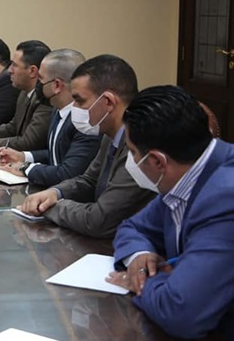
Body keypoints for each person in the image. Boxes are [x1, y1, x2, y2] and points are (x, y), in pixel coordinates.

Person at [106, 86, 234, 339]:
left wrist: (140, 281)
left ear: (157, 161)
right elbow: (133, 226)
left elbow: (181, 311)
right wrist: (139, 256)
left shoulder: (225, 197)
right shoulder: (190, 172)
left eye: (133, 152)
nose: (132, 160)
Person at [18, 55, 156, 238]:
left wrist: (50, 207)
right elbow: (89, 180)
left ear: (108, 102)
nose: (74, 107)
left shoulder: (139, 146)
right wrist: (55, 192)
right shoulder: (109, 135)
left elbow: (99, 220)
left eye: (80, 101)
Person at [0, 49, 100, 187]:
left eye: (40, 79)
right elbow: (57, 155)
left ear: (56, 85)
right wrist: (23, 156)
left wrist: (25, 168)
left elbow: (68, 173)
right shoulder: (57, 110)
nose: (37, 84)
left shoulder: (85, 122)